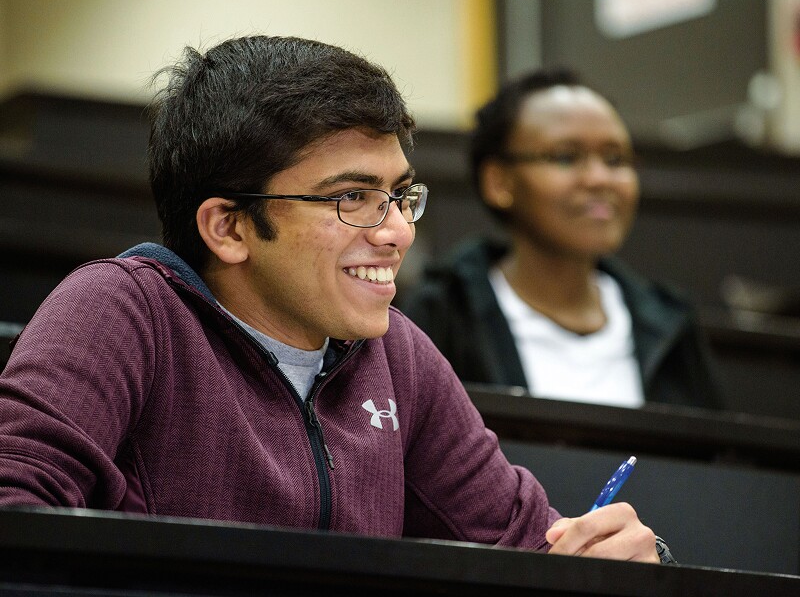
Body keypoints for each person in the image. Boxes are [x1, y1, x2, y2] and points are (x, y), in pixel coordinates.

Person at [0, 36, 666, 563]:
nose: (398, 231)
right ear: (228, 227)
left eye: (399, 195)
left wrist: (616, 557)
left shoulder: (396, 354)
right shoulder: (121, 312)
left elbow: (530, 546)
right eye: (351, 198)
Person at [401, 68, 721, 410]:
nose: (600, 179)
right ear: (499, 182)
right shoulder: (443, 313)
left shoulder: (669, 321)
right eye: (566, 157)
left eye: (615, 159)